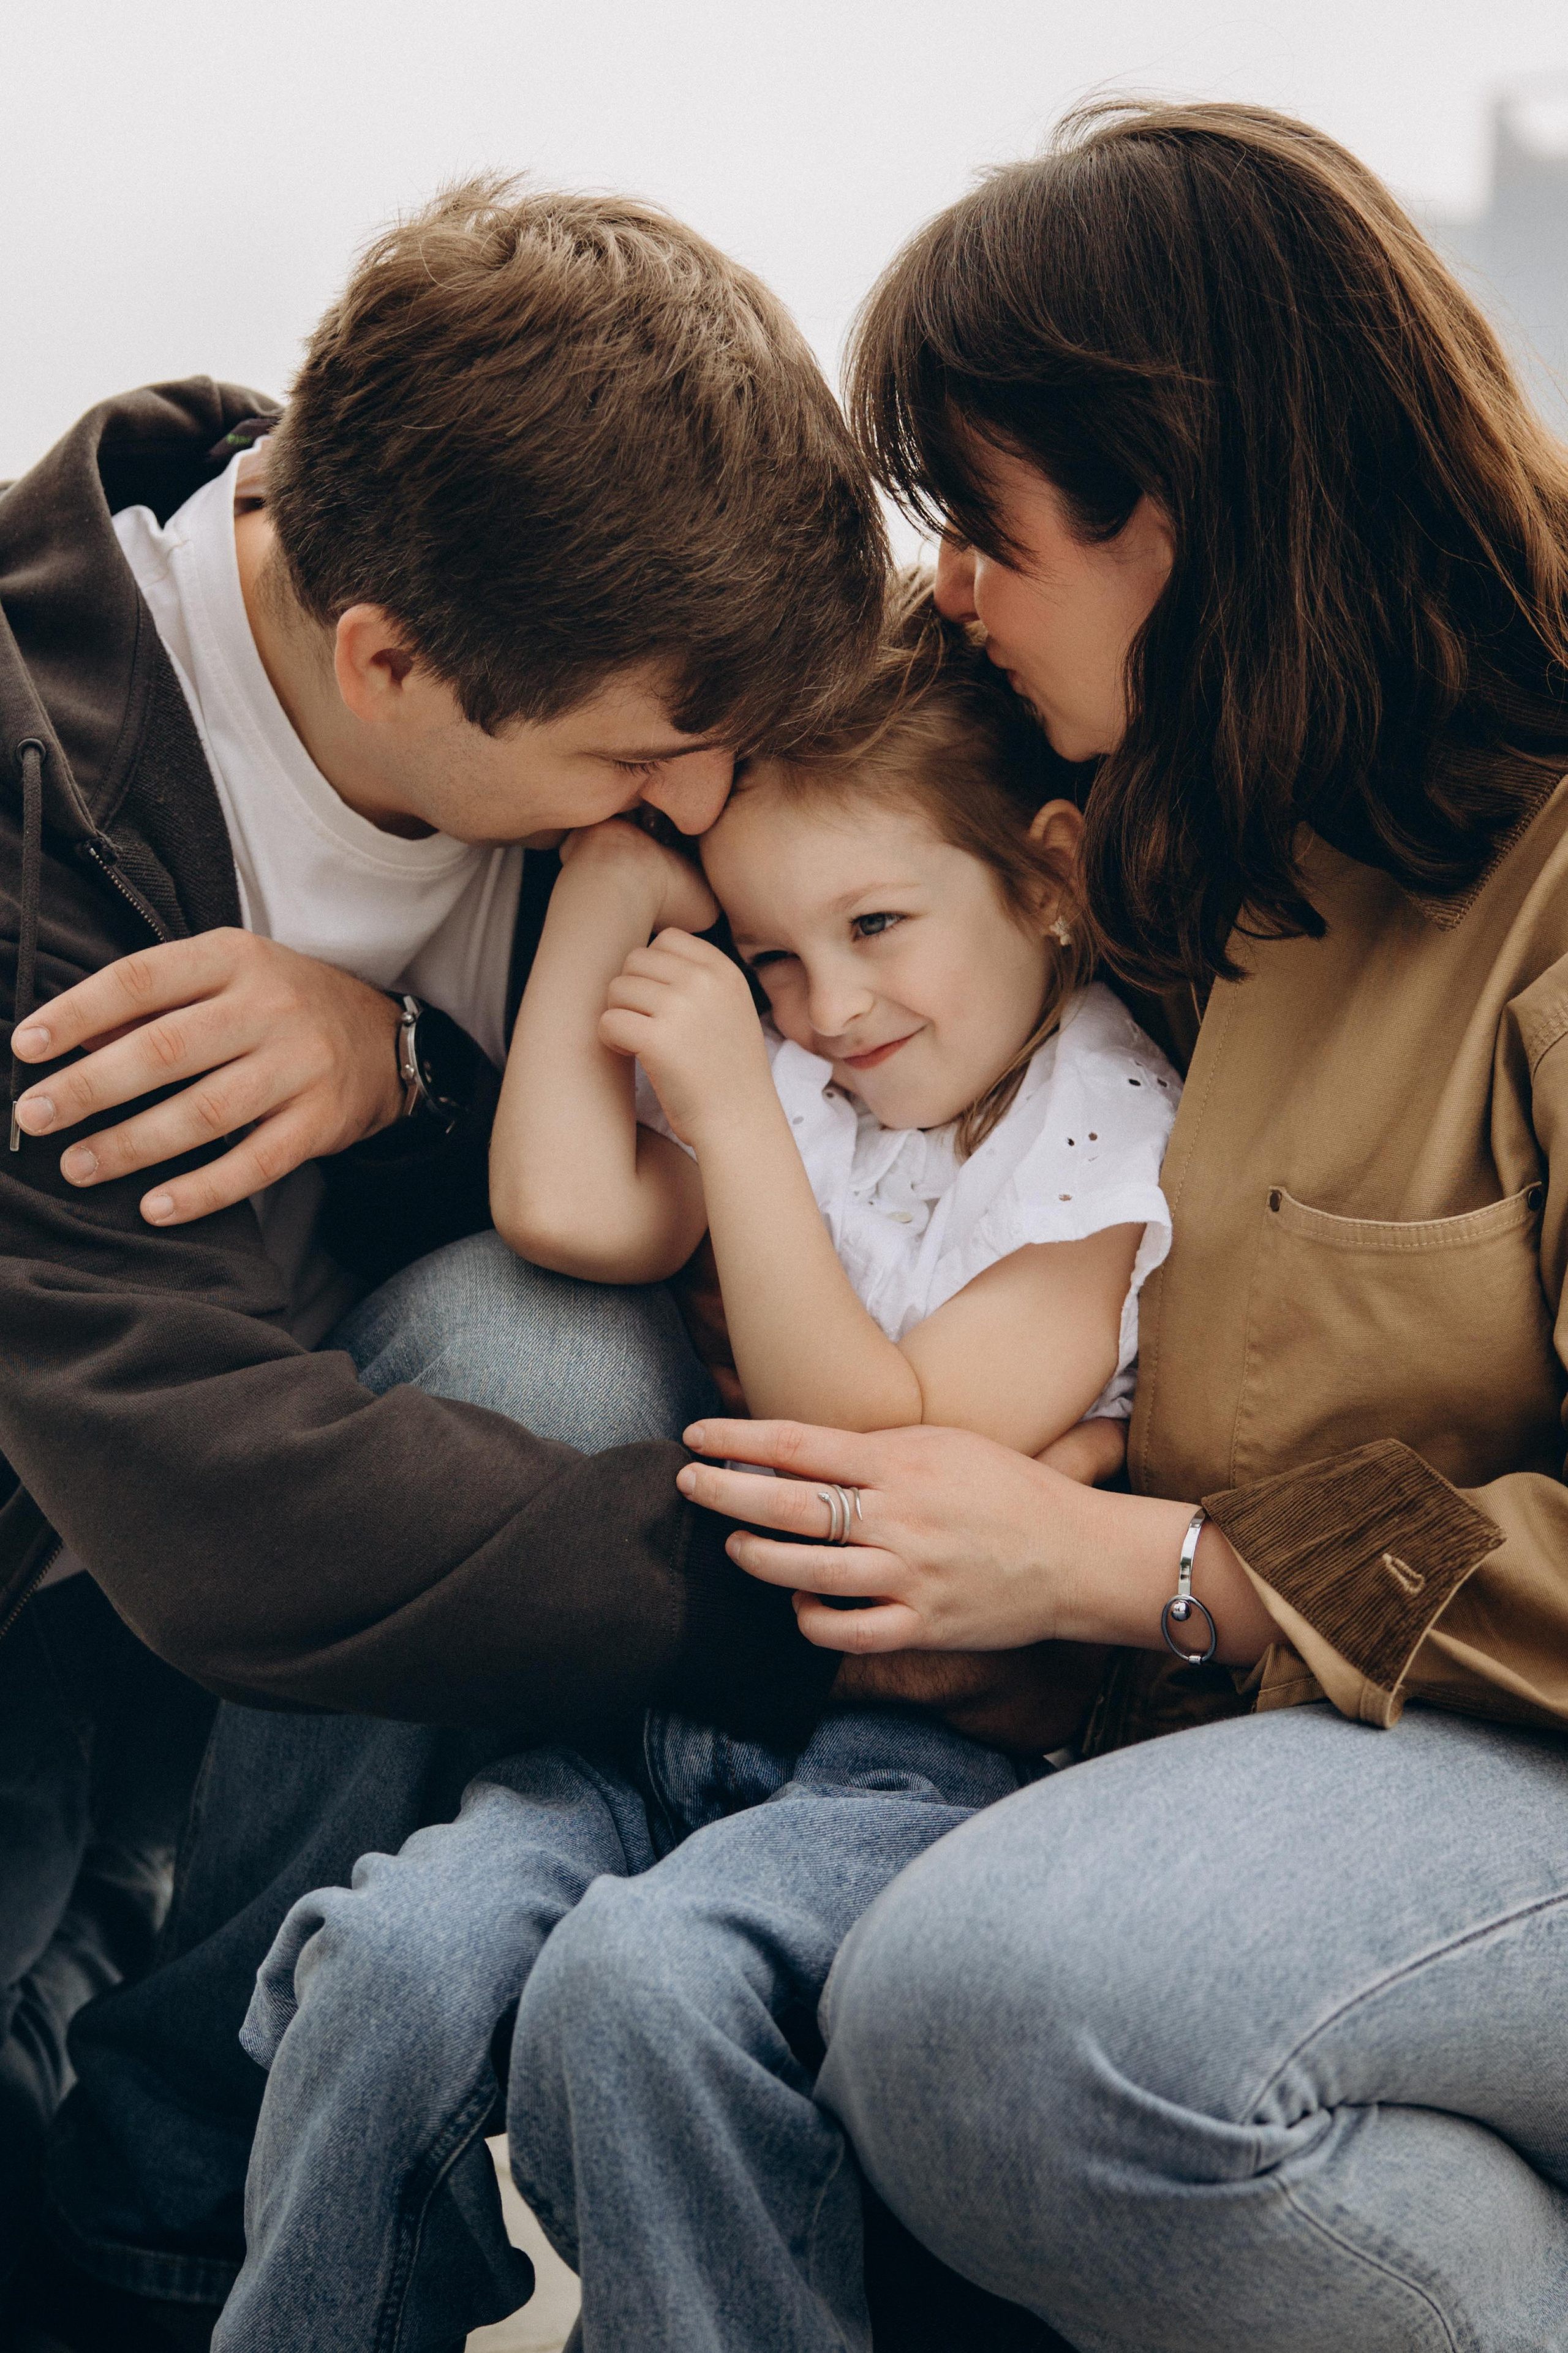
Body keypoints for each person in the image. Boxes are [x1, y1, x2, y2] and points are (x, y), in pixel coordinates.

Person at [652, 100, 1568, 2351]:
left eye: (982, 519)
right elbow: (756, 849)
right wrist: (376, 1045)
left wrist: (1150, 1572)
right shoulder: (1144, 850)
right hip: (1231, 1762)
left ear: (1193, 510)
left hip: (1516, 1756)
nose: (945, 580)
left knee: (1002, 2006)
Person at [0, 171, 907, 2341]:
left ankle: (181, 2184)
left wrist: (406, 1060)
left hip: (290, 1646)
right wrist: (839, 1599)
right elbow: (230, 1495)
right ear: (383, 663)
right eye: (638, 755)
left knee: (543, 1333)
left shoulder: (555, 609)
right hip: (85, 1573)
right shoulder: (36, 796)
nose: (702, 803)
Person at [208, 587, 1175, 2352]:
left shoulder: (1107, 1139)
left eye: (879, 922)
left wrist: (733, 1118)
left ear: (1047, 876)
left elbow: (875, 1449)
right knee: (402, 1961)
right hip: (651, 1720)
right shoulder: (817, 1078)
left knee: (644, 1991)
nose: (830, 1001)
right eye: (775, 951)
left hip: (909, 1772)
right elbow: (566, 1210)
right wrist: (612, 903)